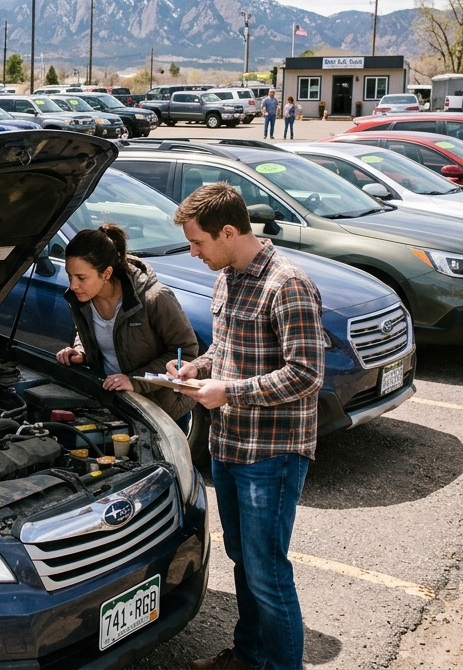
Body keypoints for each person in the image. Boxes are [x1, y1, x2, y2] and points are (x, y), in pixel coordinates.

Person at [167, 183, 324, 670]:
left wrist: (227, 392)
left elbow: (306, 373)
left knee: (267, 573)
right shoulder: (227, 275)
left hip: (271, 455)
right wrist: (199, 368)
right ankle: (249, 656)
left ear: (229, 231)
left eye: (198, 243)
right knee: (244, 562)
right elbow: (228, 349)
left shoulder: (287, 283)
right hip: (229, 445)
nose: (193, 253)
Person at [54, 224, 199, 432]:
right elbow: (89, 334)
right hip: (115, 406)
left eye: (81, 278)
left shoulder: (155, 298)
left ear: (106, 273)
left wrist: (134, 381)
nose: (73, 285)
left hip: (161, 412)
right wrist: (81, 352)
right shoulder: (79, 300)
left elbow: (185, 352)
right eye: (70, 276)